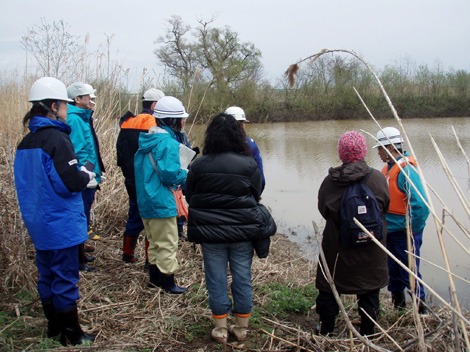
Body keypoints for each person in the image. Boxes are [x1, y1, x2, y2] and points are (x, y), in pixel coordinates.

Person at [14, 77, 96, 346]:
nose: (66, 108)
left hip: (38, 222)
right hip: (60, 222)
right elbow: (69, 183)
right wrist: (86, 177)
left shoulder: (25, 142)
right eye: (64, 103)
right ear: (52, 106)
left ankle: (53, 329)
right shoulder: (57, 140)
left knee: (46, 274)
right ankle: (72, 334)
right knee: (65, 277)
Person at [186, 113, 271, 344]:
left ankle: (221, 329)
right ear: (238, 135)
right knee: (243, 276)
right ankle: (242, 328)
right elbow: (256, 193)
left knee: (216, 278)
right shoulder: (249, 164)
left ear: (211, 136)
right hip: (242, 232)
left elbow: (189, 194)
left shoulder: (199, 164)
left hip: (210, 233)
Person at [315, 131, 390, 336]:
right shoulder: (377, 178)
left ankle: (326, 330)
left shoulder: (330, 181)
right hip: (370, 248)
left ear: (341, 154)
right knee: (369, 290)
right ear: (364, 152)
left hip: (337, 248)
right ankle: (368, 333)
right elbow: (385, 205)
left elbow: (323, 210)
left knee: (329, 289)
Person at [134, 96, 189, 294]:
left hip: (146, 202)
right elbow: (170, 174)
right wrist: (185, 172)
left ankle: (154, 281)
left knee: (154, 243)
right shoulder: (167, 143)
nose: (183, 122)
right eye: (181, 119)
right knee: (167, 243)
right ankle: (168, 284)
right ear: (171, 120)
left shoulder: (147, 139)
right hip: (162, 202)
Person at [374, 127, 430, 313]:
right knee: (393, 272)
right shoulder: (387, 170)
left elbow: (420, 205)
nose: (378, 153)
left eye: (380, 149)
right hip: (389, 232)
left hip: (404, 233)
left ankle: (420, 312)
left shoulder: (406, 170)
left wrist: (413, 230)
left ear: (389, 147)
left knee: (410, 273)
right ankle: (399, 309)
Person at [116, 88, 165, 264]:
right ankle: (149, 261)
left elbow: (120, 156)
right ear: (154, 105)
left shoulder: (128, 122)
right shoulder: (157, 124)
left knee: (134, 214)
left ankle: (127, 253)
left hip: (131, 180)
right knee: (152, 220)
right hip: (151, 181)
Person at [67, 82, 105, 272]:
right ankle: (77, 261)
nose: (92, 100)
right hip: (84, 177)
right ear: (77, 99)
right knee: (80, 216)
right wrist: (87, 173)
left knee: (84, 215)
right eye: (89, 97)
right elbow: (79, 151)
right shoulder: (74, 119)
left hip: (88, 175)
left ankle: (80, 254)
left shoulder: (82, 117)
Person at [224, 106, 265, 192]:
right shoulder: (250, 144)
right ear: (242, 124)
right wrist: (256, 196)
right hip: (245, 197)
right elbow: (260, 179)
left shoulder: (213, 143)